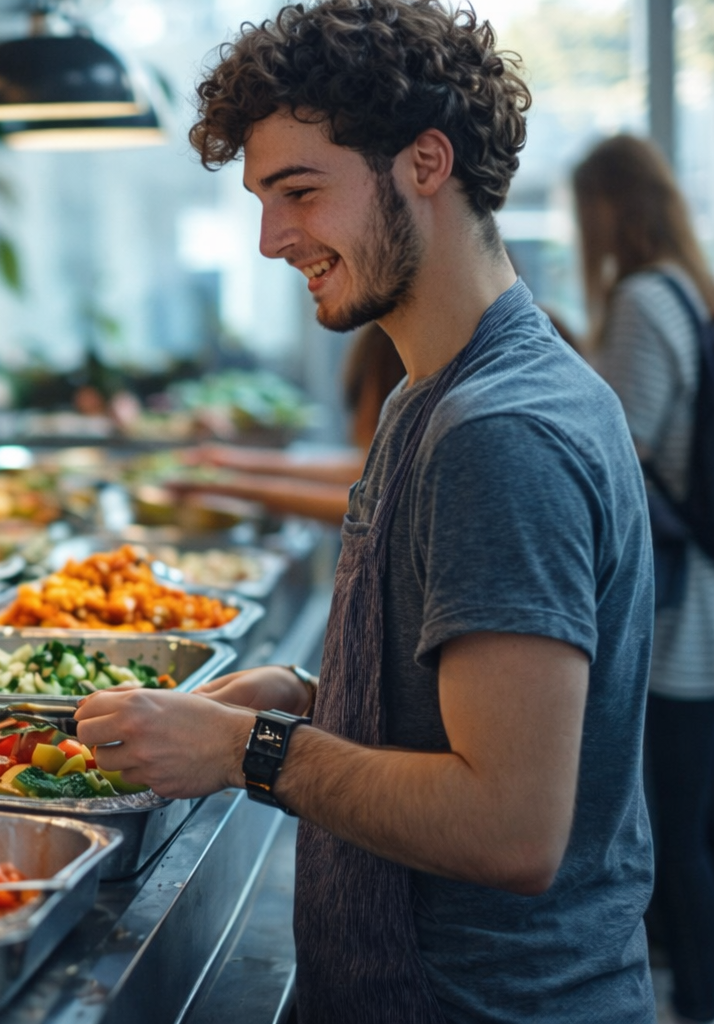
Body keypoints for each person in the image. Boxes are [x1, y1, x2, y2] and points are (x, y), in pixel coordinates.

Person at [73, 2, 656, 1021]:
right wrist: (306, 694)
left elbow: (511, 825)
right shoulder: (428, 391)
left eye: (299, 191)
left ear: (426, 163)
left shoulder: (500, 430)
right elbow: (454, 705)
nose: (269, 239)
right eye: (263, 199)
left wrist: (247, 751)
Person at [574, 134, 714, 1024]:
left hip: (671, 618)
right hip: (699, 598)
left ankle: (689, 1000)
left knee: (672, 837)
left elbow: (612, 459)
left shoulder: (637, 299)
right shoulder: (690, 293)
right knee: (695, 830)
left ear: (607, 208)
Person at [188, 323, 405, 523]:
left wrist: (232, 483)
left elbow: (371, 508)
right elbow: (365, 468)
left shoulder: (390, 347)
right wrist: (228, 463)